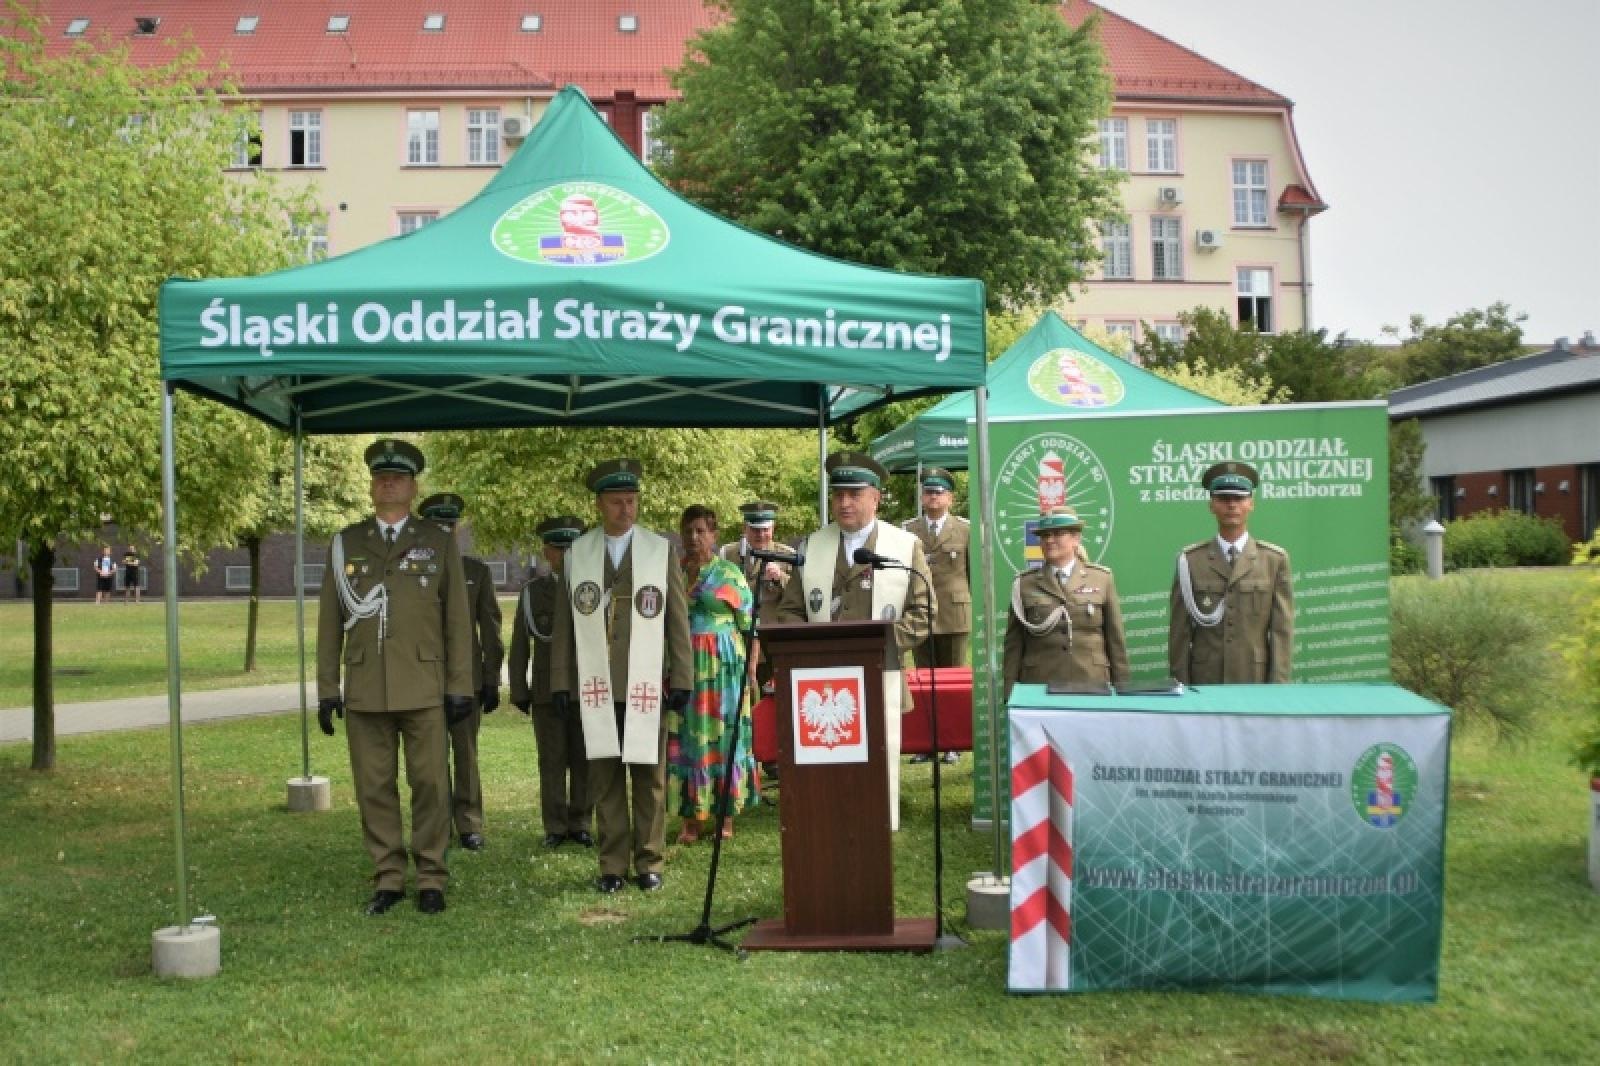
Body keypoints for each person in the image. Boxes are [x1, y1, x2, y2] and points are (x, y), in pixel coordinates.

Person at [316, 440, 474, 916]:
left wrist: (460, 685)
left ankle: (430, 875)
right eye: (381, 476)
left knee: (430, 782)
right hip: (366, 686)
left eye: (398, 478)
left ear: (412, 487)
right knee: (373, 786)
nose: (389, 483)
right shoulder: (346, 542)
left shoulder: (439, 541)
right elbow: (329, 620)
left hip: (424, 686)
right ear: (371, 486)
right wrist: (327, 689)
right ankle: (388, 874)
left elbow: (457, 622)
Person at [550, 458, 693, 894]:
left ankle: (649, 860)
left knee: (648, 774)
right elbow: (563, 625)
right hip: (597, 684)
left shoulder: (659, 550)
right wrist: (560, 680)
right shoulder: (579, 553)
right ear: (599, 505)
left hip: (646, 679)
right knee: (604, 775)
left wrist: (682, 676)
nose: (625, 510)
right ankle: (612, 863)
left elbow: (676, 620)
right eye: (616, 502)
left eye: (631, 501)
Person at [774, 451, 934, 830]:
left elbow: (924, 613)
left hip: (881, 675)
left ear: (875, 498)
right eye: (838, 494)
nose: (844, 502)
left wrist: (877, 644)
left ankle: (873, 823)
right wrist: (807, 646)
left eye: (854, 494)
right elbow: (790, 610)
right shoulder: (811, 547)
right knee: (829, 757)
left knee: (874, 761)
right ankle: (830, 821)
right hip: (821, 684)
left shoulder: (904, 546)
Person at [418, 493, 505, 852]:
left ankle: (469, 823)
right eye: (437, 525)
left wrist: (490, 678)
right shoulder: (414, 572)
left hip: (466, 680)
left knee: (466, 754)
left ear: (456, 529)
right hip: (422, 679)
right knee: (429, 758)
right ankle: (435, 824)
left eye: (449, 525)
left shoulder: (476, 572)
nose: (444, 530)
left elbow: (491, 629)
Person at [672, 505, 760, 844]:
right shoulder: (675, 572)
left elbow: (751, 627)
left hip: (724, 670)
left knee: (725, 740)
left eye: (700, 531)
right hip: (685, 668)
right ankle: (691, 819)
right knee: (689, 741)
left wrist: (751, 670)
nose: (694, 538)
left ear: (714, 534)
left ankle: (724, 817)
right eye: (688, 531)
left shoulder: (728, 574)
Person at [508, 515, 594, 849]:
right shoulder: (533, 593)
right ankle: (556, 826)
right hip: (546, 690)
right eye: (559, 547)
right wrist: (518, 688)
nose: (566, 552)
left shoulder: (592, 589)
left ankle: (582, 821)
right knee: (552, 760)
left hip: (587, 687)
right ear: (547, 551)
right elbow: (519, 644)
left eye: (572, 545)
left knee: (586, 758)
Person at [1168, 461, 1294, 684]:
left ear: (1251, 504)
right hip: (1205, 680)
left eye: (1239, 498)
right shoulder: (1190, 561)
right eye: (1224, 498)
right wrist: (1181, 685)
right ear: (1212, 505)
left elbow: (1281, 632)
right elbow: (1180, 633)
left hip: (1255, 680)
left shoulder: (1273, 560)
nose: (1232, 505)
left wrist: (1278, 688)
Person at [1002, 508, 1129, 700]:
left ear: (1076, 538)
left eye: (1058, 533)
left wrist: (1123, 689)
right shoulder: (1023, 584)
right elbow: (1014, 644)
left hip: (1091, 681)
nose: (1050, 540)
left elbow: (1115, 641)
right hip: (1039, 685)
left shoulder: (1101, 578)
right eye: (1045, 535)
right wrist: (1010, 693)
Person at [903, 467, 970, 764]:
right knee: (923, 680)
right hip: (919, 613)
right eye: (928, 491)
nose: (932, 496)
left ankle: (952, 743)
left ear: (950, 498)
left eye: (938, 492)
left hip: (955, 613)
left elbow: (973, 574)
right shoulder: (907, 531)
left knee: (952, 680)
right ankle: (926, 742)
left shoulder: (966, 530)